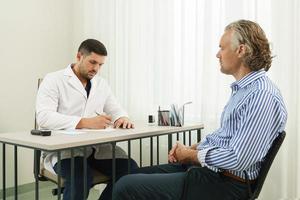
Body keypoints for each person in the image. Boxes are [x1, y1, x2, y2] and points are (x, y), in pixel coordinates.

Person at [112, 20, 288, 200]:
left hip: (225, 185)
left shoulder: (261, 95)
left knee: (125, 187)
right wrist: (192, 148)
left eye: (222, 48)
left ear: (241, 50)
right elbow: (226, 137)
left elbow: (239, 158)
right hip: (213, 174)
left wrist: (191, 155)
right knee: (124, 176)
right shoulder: (244, 90)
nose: (217, 54)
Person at [36, 39, 138, 200]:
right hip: (66, 151)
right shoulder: (53, 80)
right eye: (92, 62)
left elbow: (115, 108)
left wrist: (122, 117)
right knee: (80, 178)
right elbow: (43, 117)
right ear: (79, 56)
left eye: (100, 65)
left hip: (97, 149)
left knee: (130, 171)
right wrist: (85, 122)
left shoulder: (101, 84)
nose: (96, 68)